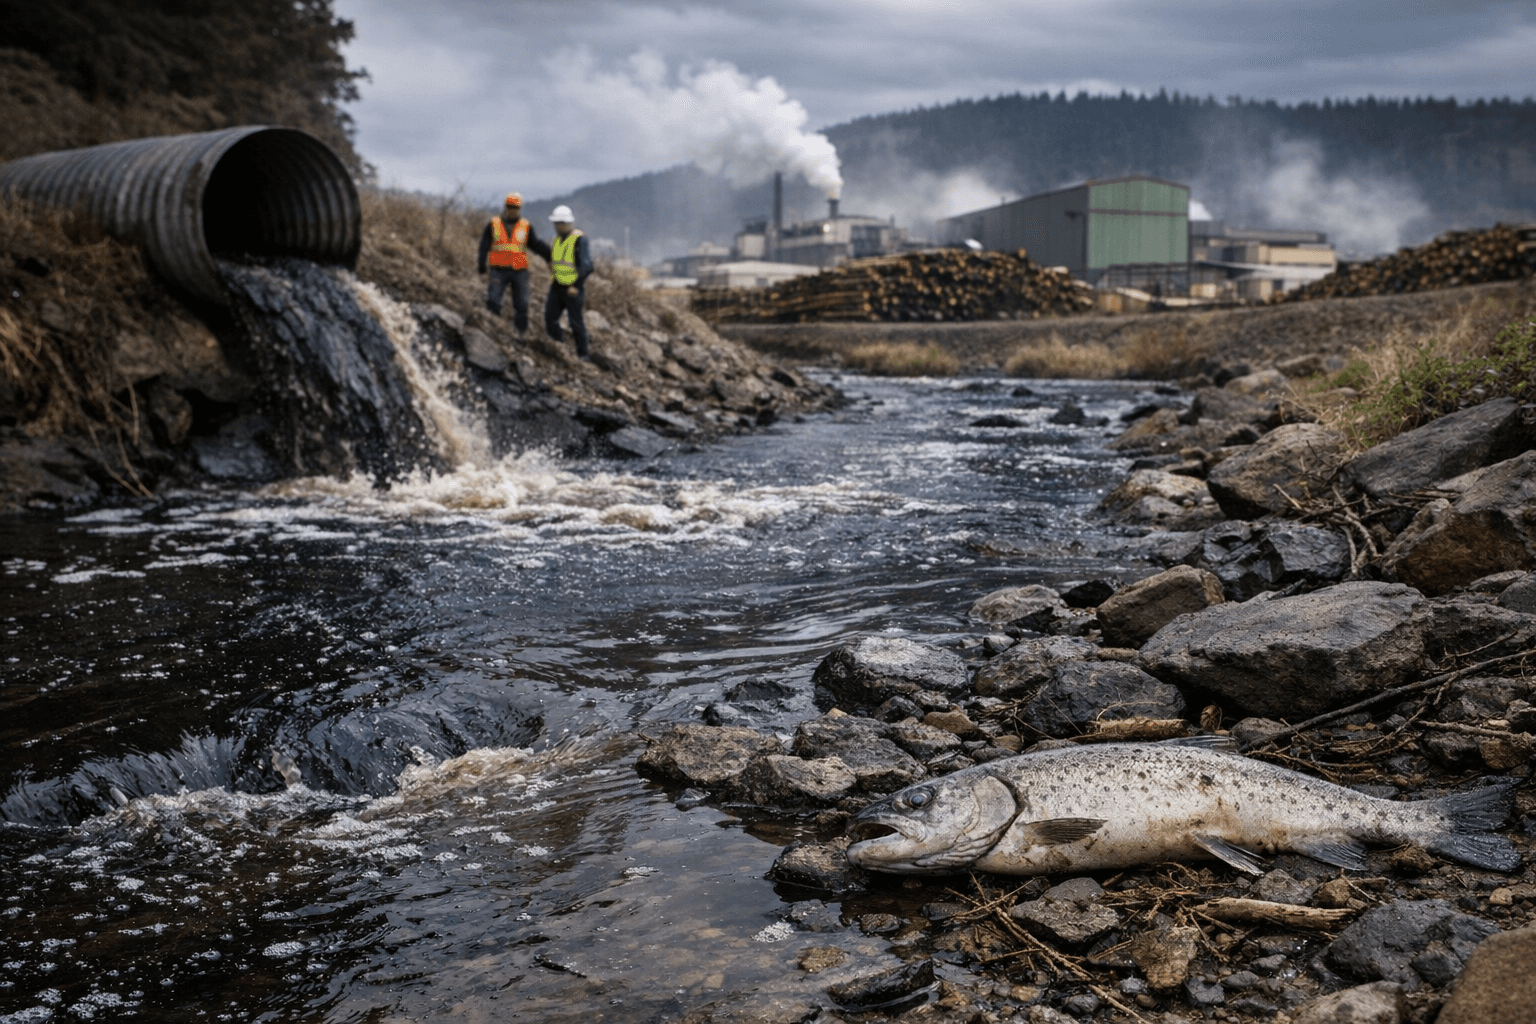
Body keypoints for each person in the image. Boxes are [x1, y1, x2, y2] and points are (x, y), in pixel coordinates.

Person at [477, 192, 549, 335]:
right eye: (510, 206)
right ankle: (492, 333)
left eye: (515, 207)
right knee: (493, 301)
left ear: (520, 208)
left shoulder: (525, 226)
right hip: (498, 269)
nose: (512, 209)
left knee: (522, 305)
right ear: (505, 207)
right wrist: (482, 269)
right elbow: (483, 247)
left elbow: (536, 244)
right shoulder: (493, 224)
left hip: (519, 271)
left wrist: (550, 257)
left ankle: (521, 335)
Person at [542, 204, 594, 360]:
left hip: (573, 288)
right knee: (550, 317)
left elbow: (587, 266)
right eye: (556, 223)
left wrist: (576, 285)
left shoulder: (579, 240)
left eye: (559, 223)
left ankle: (583, 355)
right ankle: (559, 347)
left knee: (575, 322)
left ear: (567, 223)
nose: (557, 226)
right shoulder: (556, 240)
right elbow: (556, 261)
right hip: (557, 286)